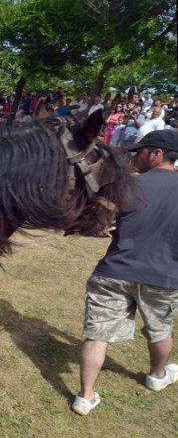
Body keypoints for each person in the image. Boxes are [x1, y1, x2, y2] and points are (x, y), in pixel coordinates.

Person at [72, 129, 178, 415]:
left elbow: (96, 226)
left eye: (140, 151)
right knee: (160, 329)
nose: (134, 156)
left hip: (114, 272)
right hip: (163, 275)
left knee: (97, 334)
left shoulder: (127, 186)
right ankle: (157, 376)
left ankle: (85, 396)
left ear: (157, 154)